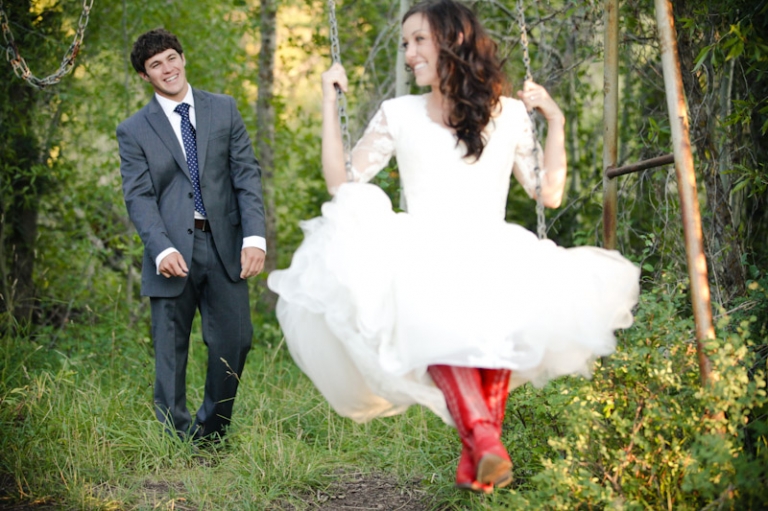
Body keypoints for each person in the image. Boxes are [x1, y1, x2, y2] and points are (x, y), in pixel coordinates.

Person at [268, 0, 639, 493]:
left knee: (493, 347)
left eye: (418, 40)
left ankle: (481, 456)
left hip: (491, 245)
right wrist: (328, 103)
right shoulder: (398, 113)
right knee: (437, 329)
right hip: (423, 248)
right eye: (404, 43)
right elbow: (343, 183)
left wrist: (557, 120)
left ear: (453, 41)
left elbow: (547, 191)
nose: (408, 54)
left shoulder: (507, 115)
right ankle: (486, 440)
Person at [117, 28, 267, 444]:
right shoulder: (133, 130)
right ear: (145, 77)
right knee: (170, 350)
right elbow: (139, 196)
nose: (167, 69)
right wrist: (160, 246)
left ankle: (212, 433)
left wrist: (255, 237)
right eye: (155, 65)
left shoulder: (224, 109)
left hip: (225, 246)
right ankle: (173, 438)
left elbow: (246, 175)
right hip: (169, 251)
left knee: (236, 340)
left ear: (183, 57)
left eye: (170, 58)